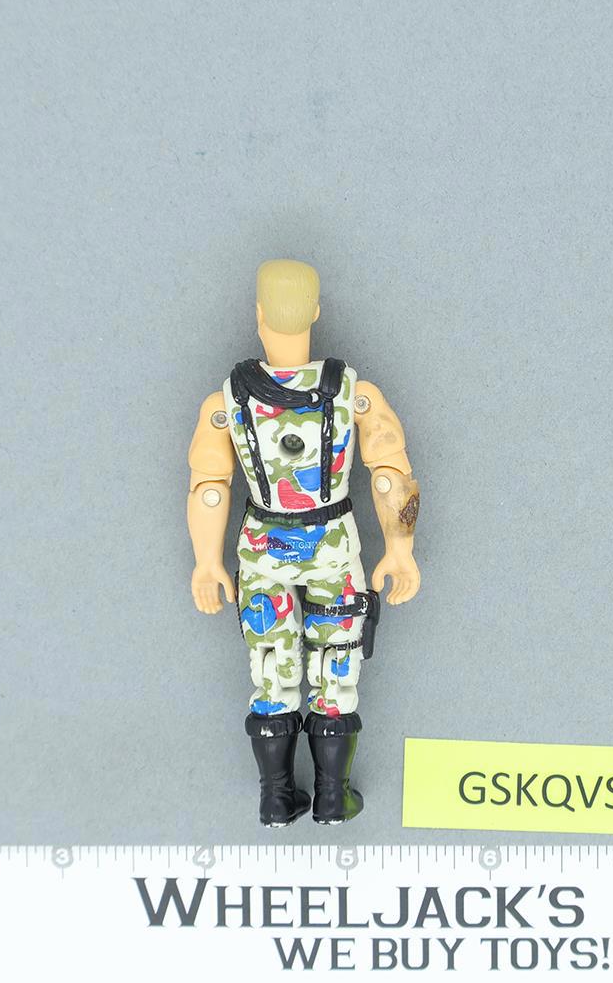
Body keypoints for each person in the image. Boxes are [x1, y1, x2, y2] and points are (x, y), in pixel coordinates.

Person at [186, 259, 420, 826]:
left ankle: (275, 797)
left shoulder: (226, 403)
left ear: (258, 314)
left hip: (262, 547)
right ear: (315, 312)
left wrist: (206, 561)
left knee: (271, 667)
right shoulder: (354, 394)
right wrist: (400, 547)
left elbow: (210, 488)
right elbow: (388, 473)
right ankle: (333, 795)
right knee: (336, 666)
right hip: (332, 544)